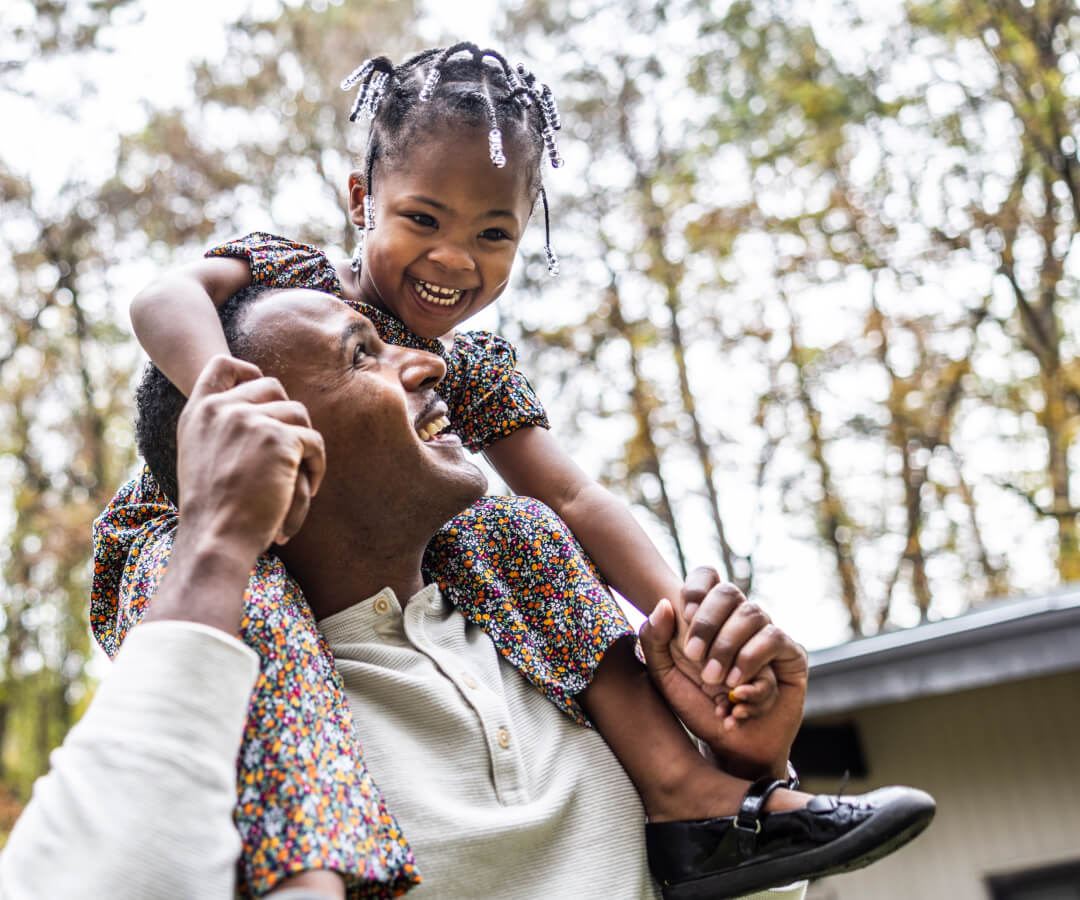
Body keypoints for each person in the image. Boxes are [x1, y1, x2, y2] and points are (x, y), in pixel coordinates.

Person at [95, 43, 932, 898]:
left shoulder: (472, 372)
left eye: (492, 234)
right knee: (250, 605)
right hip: (204, 513)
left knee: (523, 528)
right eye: (423, 219)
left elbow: (570, 495)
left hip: (434, 557)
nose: (455, 259)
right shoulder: (292, 285)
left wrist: (683, 620)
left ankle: (688, 796)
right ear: (361, 198)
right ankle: (315, 866)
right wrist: (224, 400)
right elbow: (161, 300)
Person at [2, 288, 933, 899]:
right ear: (268, 437)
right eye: (363, 355)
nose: (429, 363)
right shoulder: (240, 730)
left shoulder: (552, 644)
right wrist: (214, 538)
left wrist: (753, 771)